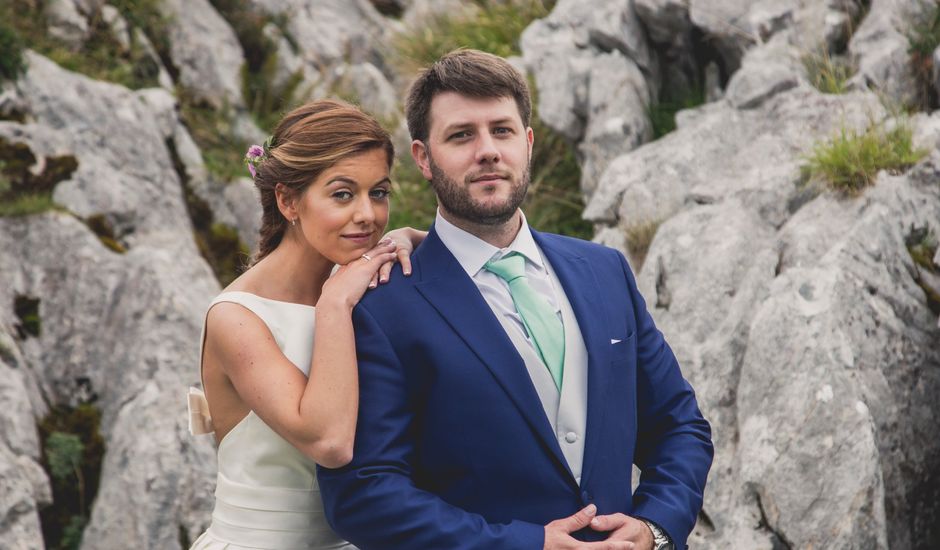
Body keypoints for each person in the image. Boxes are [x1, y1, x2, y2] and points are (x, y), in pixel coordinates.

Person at [317, 49, 714, 550]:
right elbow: (362, 493)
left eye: (501, 130)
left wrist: (654, 527)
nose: (487, 150)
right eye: (461, 135)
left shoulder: (605, 270)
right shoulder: (381, 305)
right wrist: (523, 545)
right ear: (423, 157)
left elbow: (679, 426)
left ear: (527, 143)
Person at [186, 99, 425, 549]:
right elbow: (330, 442)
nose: (368, 215)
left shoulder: (358, 275)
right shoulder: (236, 318)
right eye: (342, 194)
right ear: (288, 200)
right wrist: (333, 304)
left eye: (379, 192)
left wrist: (412, 239)